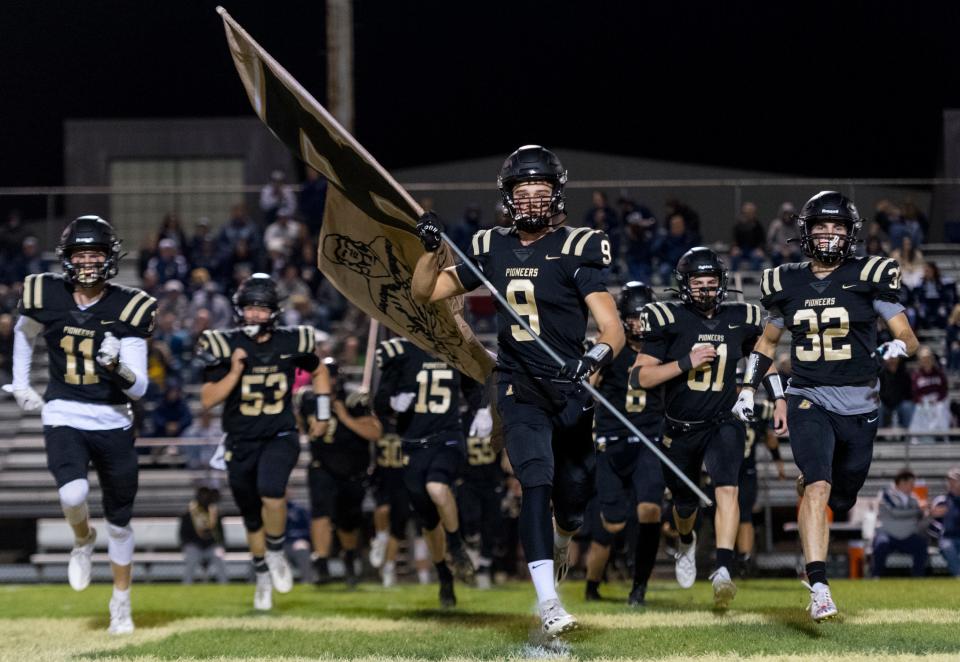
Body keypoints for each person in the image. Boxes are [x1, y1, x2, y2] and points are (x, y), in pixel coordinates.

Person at [412, 145, 624, 636]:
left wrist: (594, 357)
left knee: (573, 499)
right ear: (508, 198)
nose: (530, 201)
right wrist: (428, 249)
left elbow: (611, 328)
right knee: (535, 479)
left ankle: (564, 539)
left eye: (540, 192)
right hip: (518, 383)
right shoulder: (492, 246)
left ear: (556, 195)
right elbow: (426, 292)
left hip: (568, 385)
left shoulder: (578, 246)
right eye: (521, 193)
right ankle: (548, 601)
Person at [747, 191, 918, 621]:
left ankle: (816, 520)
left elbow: (908, 336)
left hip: (859, 403)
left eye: (836, 227)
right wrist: (758, 390)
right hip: (809, 394)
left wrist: (896, 346)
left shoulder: (869, 275)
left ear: (850, 233)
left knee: (840, 497)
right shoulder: (787, 281)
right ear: (805, 232)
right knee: (817, 484)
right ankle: (819, 585)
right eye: (820, 227)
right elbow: (767, 344)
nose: (828, 235)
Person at [9, 216, 155, 634]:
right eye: (80, 254)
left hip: (113, 420)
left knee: (120, 522)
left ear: (109, 258)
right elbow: (24, 332)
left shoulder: (128, 305)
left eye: (94, 254)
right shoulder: (46, 293)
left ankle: (121, 604)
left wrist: (116, 366)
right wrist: (21, 384)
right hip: (64, 411)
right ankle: (81, 540)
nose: (88, 262)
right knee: (72, 494)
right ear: (67, 259)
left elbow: (141, 388)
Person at [634, 247, 777, 609]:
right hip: (680, 427)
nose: (705, 289)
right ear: (684, 284)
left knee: (727, 488)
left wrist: (779, 397)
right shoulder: (667, 317)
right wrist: (686, 361)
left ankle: (724, 569)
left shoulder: (740, 317)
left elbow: (764, 359)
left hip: (722, 420)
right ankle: (686, 541)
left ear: (722, 283)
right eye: (698, 283)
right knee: (684, 505)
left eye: (711, 282)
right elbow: (641, 376)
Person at [198, 273, 332, 611]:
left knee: (272, 493)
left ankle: (275, 551)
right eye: (249, 308)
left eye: (261, 308)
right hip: (240, 439)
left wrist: (323, 411)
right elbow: (207, 400)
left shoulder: (291, 341)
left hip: (279, 434)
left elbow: (319, 370)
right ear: (239, 310)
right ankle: (262, 575)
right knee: (251, 516)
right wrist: (233, 372)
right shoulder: (224, 343)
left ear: (274, 311)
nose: (255, 315)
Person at [373, 336, 480, 608]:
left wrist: (480, 413)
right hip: (413, 446)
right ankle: (444, 574)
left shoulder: (455, 348)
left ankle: (456, 547)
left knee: (437, 487)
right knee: (429, 522)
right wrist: (392, 403)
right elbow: (380, 402)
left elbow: (475, 388)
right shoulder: (400, 352)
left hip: (447, 438)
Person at [584, 282, 665, 607]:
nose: (639, 324)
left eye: (645, 317)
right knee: (613, 522)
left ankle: (639, 587)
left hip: (649, 439)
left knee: (649, 509)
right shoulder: (611, 347)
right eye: (634, 317)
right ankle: (592, 584)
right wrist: (592, 364)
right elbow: (585, 389)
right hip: (611, 440)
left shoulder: (663, 347)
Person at [299, 358, 381, 588]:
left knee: (348, 523)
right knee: (321, 512)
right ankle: (321, 563)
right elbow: (299, 423)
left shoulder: (354, 399)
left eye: (331, 376)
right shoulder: (306, 399)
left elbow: (375, 433)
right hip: (322, 465)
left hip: (352, 469)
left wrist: (344, 417)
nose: (328, 381)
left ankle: (349, 557)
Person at [734, 374, 785, 576]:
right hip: (727, 469)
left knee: (744, 516)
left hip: (745, 470)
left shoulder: (758, 410)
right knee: (725, 515)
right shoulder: (723, 408)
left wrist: (778, 461)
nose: (738, 390)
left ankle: (743, 559)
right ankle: (730, 557)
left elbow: (770, 438)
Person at [368, 426, 409, 587]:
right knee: (382, 508)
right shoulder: (380, 421)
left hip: (404, 479)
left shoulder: (410, 421)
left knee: (398, 529)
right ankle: (380, 539)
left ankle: (388, 566)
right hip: (382, 475)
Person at [872, 469, 928, 577]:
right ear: (902, 482)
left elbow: (920, 518)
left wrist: (928, 513)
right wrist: (918, 510)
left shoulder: (914, 499)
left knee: (921, 544)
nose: (913, 486)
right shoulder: (886, 494)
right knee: (881, 544)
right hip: (888, 535)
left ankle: (918, 577)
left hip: (907, 537)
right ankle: (876, 576)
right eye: (911, 483)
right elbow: (896, 512)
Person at [179, 486, 228, 585]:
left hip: (212, 546)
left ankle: (224, 585)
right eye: (202, 496)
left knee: (219, 556)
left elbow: (220, 533)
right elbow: (183, 534)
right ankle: (186, 585)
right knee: (191, 559)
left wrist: (221, 546)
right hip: (194, 545)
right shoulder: (189, 513)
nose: (205, 498)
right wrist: (187, 545)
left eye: (206, 496)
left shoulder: (214, 512)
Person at [931, 466, 960, 576]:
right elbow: (932, 524)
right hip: (948, 538)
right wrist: (932, 515)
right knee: (947, 547)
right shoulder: (941, 501)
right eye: (950, 481)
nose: (951, 484)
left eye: (955, 481)